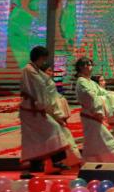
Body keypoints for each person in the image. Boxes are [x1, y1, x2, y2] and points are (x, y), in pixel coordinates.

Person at [19, 46, 81, 174]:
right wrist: (45, 106)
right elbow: (39, 88)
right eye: (43, 59)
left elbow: (44, 85)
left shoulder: (35, 70)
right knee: (51, 129)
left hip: (36, 108)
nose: (44, 61)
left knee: (39, 136)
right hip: (31, 109)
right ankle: (53, 160)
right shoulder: (29, 70)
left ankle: (43, 163)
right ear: (39, 57)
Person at [73, 58, 114, 163]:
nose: (90, 67)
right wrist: (99, 109)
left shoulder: (90, 82)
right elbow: (91, 97)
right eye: (87, 65)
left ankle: (89, 161)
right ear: (81, 67)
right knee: (106, 138)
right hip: (91, 113)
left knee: (92, 141)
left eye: (90, 64)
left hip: (92, 113)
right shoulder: (82, 81)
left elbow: (103, 92)